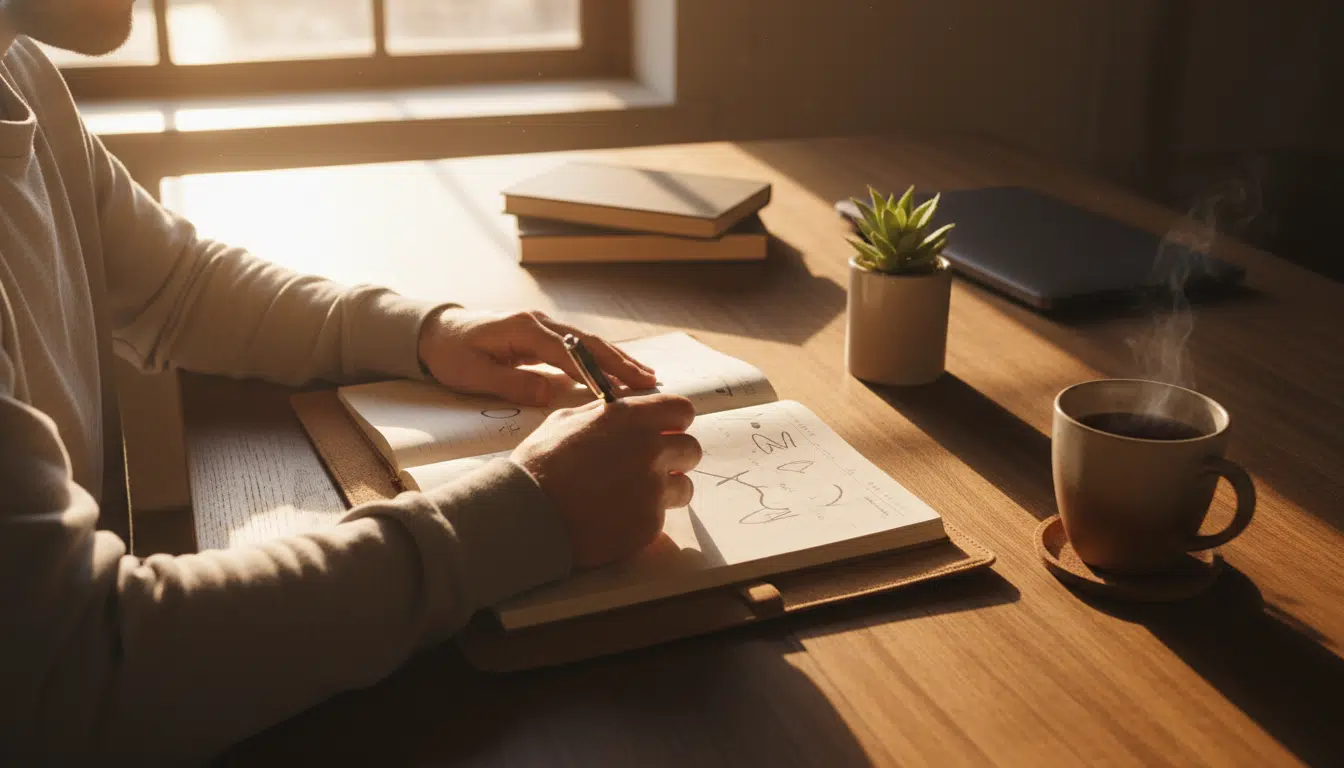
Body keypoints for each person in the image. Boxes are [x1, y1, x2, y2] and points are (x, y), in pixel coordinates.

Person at [0, 1, 703, 763]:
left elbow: (176, 285)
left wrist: (424, 333)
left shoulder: (20, 66)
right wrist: (530, 514)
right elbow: (78, 668)